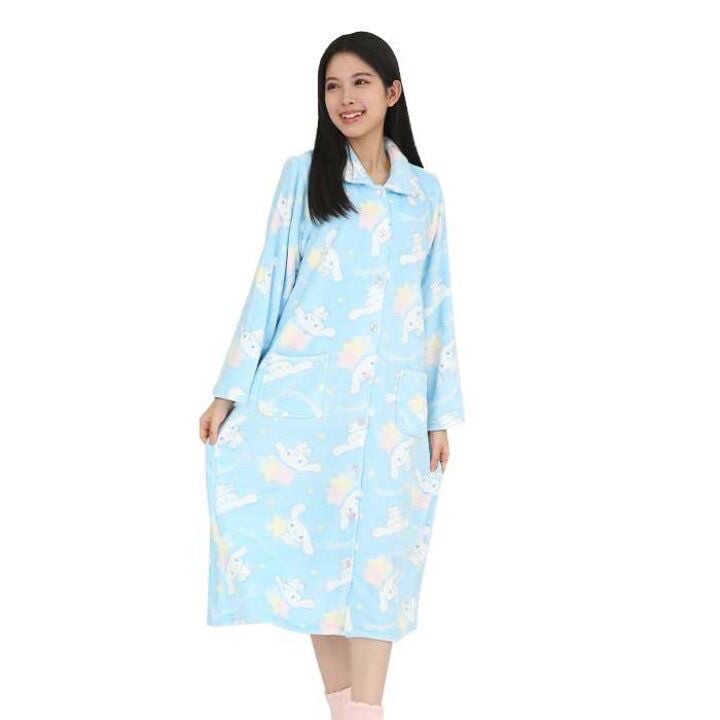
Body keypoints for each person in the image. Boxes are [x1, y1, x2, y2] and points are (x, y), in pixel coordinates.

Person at [198, 31, 465, 720]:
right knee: (317, 556)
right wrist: (230, 391)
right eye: (332, 86)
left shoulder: (424, 194)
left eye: (360, 83)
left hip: (394, 413)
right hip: (308, 404)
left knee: (381, 565)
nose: (345, 98)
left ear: (392, 93)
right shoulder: (304, 176)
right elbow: (270, 282)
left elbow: (436, 305)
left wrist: (440, 414)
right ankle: (347, 713)